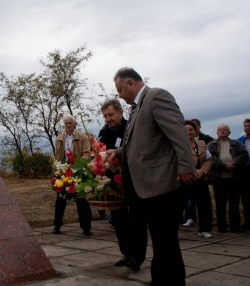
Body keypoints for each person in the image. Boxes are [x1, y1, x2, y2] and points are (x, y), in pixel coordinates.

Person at [106, 67, 197, 286]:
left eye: (120, 89)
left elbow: (178, 134)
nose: (119, 95)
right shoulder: (136, 108)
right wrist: (117, 152)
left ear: (130, 83)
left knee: (166, 243)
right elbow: (137, 145)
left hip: (162, 186)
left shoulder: (157, 97)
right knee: (160, 241)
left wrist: (185, 167)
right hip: (145, 188)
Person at [99, 99, 147, 271]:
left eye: (110, 114)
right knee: (118, 221)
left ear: (120, 112)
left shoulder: (131, 128)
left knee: (136, 220)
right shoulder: (103, 132)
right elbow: (101, 154)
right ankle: (126, 253)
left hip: (133, 181)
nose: (108, 119)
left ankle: (138, 257)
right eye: (105, 116)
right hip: (113, 183)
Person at [53, 115, 92, 236]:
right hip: (63, 172)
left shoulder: (82, 137)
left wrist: (77, 165)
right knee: (60, 199)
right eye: (66, 124)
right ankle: (57, 225)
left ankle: (86, 228)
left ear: (74, 124)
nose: (68, 126)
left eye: (70, 123)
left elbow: (87, 154)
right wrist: (58, 168)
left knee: (82, 200)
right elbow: (58, 156)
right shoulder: (59, 138)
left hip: (78, 171)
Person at [208, 124, 249, 232]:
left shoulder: (236, 143)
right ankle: (222, 226)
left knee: (234, 203)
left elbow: (244, 155)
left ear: (229, 132)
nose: (222, 131)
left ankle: (235, 226)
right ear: (217, 132)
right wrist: (224, 165)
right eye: (220, 130)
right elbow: (211, 158)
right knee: (220, 204)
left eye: (225, 130)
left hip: (234, 178)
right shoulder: (212, 144)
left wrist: (234, 163)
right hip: (219, 179)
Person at [182, 120, 214, 238]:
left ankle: (204, 229)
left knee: (204, 204)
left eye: (191, 130)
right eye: (186, 130)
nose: (189, 132)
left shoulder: (201, 143)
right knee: (180, 205)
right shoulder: (180, 145)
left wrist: (203, 171)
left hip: (200, 178)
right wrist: (192, 171)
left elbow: (209, 159)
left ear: (195, 131)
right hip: (186, 178)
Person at [238, 118, 250, 231]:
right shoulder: (239, 141)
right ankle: (247, 222)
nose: (247, 128)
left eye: (249, 126)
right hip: (245, 173)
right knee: (246, 199)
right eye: (245, 126)